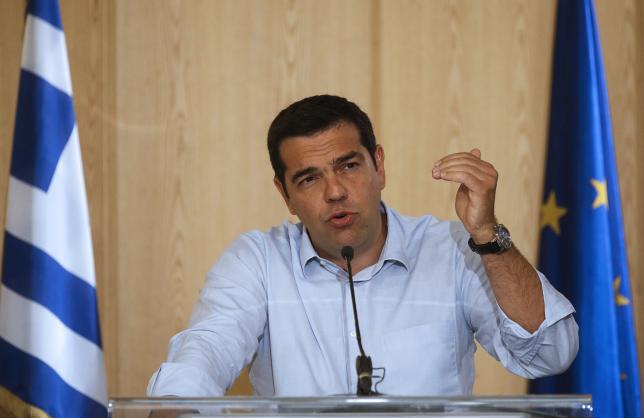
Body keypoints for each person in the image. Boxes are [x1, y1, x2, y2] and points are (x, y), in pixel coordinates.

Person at [147, 95, 578, 397]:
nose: (335, 192)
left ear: (379, 166)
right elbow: (204, 353)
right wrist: (175, 405)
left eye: (348, 166)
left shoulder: (450, 251)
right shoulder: (257, 261)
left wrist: (487, 235)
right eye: (309, 178)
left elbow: (551, 353)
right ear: (285, 195)